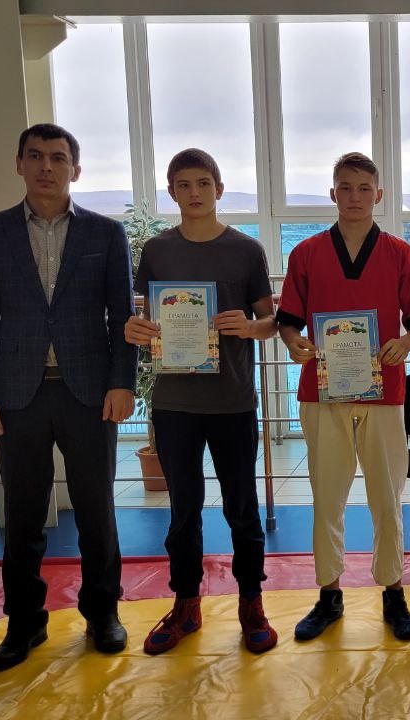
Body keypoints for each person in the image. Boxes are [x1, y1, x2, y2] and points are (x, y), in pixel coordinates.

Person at [0, 123, 136, 671]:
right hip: (16, 395)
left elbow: (122, 317)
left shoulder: (106, 234)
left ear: (75, 170)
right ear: (19, 164)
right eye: (35, 156)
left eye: (58, 158)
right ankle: (24, 623)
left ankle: (103, 613)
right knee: (21, 516)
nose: (46, 166)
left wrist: (123, 382)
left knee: (96, 512)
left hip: (89, 393)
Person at [124, 148, 278, 655]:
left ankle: (251, 602)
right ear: (172, 192)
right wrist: (137, 329)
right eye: (185, 185)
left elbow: (272, 321)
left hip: (232, 400)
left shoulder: (246, 250)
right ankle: (186, 603)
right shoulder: (157, 251)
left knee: (242, 509)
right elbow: (143, 315)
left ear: (219, 189)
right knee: (183, 511)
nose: (195, 193)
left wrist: (250, 327)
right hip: (174, 402)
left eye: (203, 184)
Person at [275, 152, 410, 642]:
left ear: (379, 194)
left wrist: (405, 344)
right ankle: (329, 593)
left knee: (387, 495)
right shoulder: (306, 254)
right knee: (327, 497)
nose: (355, 196)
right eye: (345, 187)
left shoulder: (400, 254)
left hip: (384, 389)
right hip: (322, 391)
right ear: (333, 193)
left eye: (364, 188)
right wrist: (294, 343)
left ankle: (394, 591)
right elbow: (288, 320)